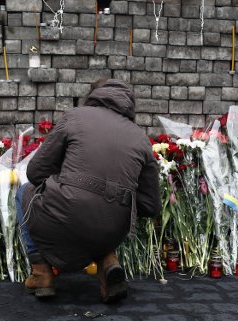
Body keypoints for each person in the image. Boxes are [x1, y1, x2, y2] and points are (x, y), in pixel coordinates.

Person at [16, 78, 161, 303]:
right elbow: (151, 207)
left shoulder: (75, 117)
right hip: (112, 232)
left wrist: (63, 181)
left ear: (93, 95)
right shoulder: (141, 138)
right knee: (103, 213)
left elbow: (35, 172)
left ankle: (41, 272)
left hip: (67, 215)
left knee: (24, 191)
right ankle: (108, 262)